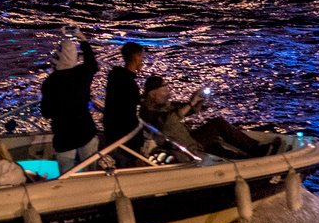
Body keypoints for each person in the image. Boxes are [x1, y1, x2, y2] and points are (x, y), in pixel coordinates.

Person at [141, 76, 275, 160]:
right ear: (152, 94)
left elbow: (181, 111)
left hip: (186, 140)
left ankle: (248, 160)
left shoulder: (162, 105)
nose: (168, 91)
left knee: (217, 147)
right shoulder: (149, 111)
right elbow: (169, 121)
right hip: (182, 146)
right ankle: (257, 149)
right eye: (164, 89)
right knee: (218, 124)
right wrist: (190, 104)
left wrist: (196, 104)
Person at [40, 38, 100, 168]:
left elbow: (46, 112)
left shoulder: (50, 82)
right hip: (85, 131)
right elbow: (92, 64)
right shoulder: (81, 74)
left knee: (66, 177)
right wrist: (83, 39)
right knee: (91, 172)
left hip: (64, 136)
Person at [101, 40, 148, 148]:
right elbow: (127, 111)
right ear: (136, 57)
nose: (142, 61)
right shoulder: (129, 83)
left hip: (112, 131)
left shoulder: (115, 77)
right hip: (123, 135)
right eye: (141, 57)